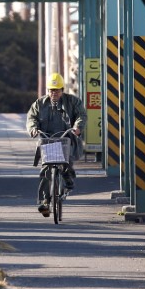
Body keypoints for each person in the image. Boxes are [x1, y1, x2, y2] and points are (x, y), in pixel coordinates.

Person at [26, 72, 87, 216]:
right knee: (46, 169)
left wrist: (78, 127)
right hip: (48, 140)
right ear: (47, 90)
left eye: (57, 90)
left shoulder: (73, 101)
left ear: (62, 90)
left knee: (67, 163)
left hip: (67, 139)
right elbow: (31, 118)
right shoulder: (39, 104)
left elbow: (81, 115)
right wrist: (33, 128)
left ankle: (68, 182)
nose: (54, 93)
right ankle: (44, 203)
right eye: (51, 90)